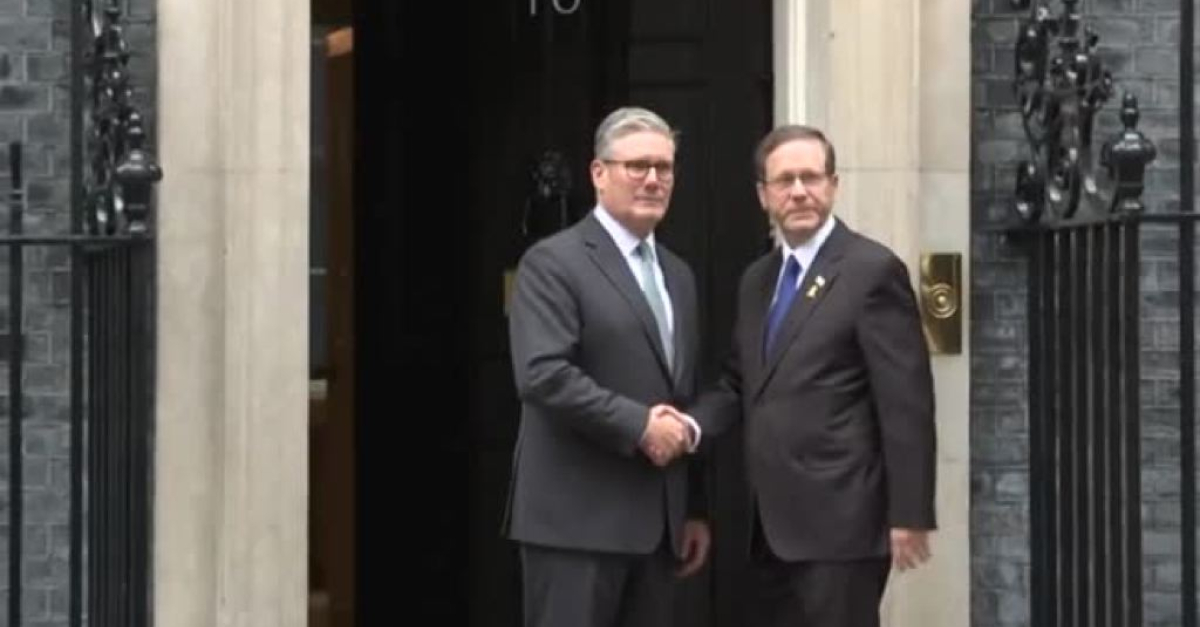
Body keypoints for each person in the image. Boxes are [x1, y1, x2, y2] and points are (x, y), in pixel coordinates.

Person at [678, 124, 937, 627]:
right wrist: (688, 426)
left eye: (811, 177)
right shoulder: (757, 280)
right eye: (785, 180)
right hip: (768, 528)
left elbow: (906, 403)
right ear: (763, 195)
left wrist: (910, 513)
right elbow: (739, 382)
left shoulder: (871, 270)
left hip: (843, 525)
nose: (799, 191)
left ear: (833, 185)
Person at [503, 106, 711, 627]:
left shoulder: (678, 275)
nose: (653, 179)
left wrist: (693, 507)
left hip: (659, 528)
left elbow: (680, 391)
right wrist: (639, 425)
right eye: (637, 166)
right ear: (599, 173)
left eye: (664, 168)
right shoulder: (553, 263)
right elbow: (543, 374)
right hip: (576, 526)